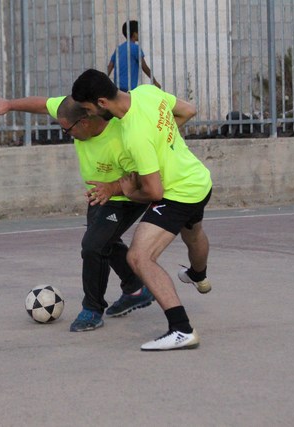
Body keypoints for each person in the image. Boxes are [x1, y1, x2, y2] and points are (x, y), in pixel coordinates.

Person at [0, 96, 154, 332]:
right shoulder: (73, 109)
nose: (67, 134)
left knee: (93, 246)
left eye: (67, 130)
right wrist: (9, 105)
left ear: (84, 122)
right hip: (99, 193)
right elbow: (44, 105)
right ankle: (135, 287)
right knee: (104, 240)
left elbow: (143, 177)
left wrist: (112, 188)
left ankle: (92, 310)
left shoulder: (121, 138)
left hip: (127, 196)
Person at [72, 68, 212, 351]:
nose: (90, 116)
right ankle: (199, 275)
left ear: (101, 102)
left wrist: (123, 189)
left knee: (139, 257)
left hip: (178, 193)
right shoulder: (147, 92)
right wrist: (163, 139)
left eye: (88, 109)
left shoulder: (134, 134)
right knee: (193, 233)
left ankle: (181, 329)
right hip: (200, 180)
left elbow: (154, 193)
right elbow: (188, 110)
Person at [107, 20, 161, 91]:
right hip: (129, 88)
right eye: (139, 32)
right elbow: (144, 67)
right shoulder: (135, 48)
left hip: (117, 88)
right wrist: (154, 81)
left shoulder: (118, 49)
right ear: (134, 34)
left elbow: (109, 67)